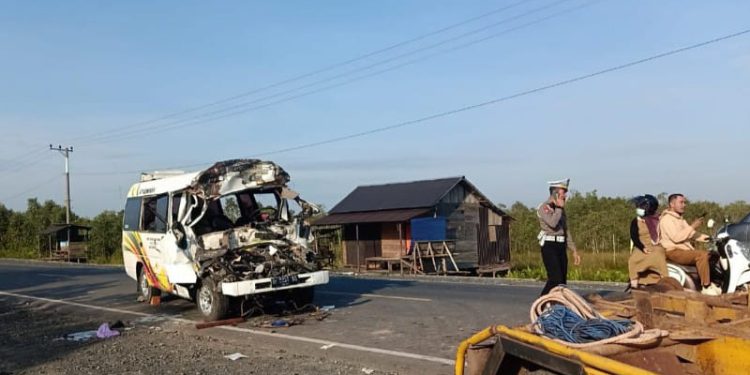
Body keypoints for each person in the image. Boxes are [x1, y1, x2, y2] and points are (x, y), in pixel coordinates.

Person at [659, 193, 720, 296]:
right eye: (681, 202)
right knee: (701, 255)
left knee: (713, 255)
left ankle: (715, 282)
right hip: (673, 251)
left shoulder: (680, 219)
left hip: (684, 250)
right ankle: (706, 286)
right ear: (672, 204)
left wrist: (711, 238)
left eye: (684, 202)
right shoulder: (666, 219)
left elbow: (692, 234)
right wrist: (693, 226)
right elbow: (676, 238)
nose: (684, 205)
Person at [537, 179, 581, 295]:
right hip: (549, 245)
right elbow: (552, 223)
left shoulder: (561, 210)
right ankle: (541, 303)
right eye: (563, 193)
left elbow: (565, 230)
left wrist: (574, 250)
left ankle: (556, 305)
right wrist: (559, 208)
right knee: (555, 278)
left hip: (561, 245)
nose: (565, 196)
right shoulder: (544, 207)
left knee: (562, 281)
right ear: (555, 193)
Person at [628, 194, 668, 289]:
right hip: (641, 246)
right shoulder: (635, 221)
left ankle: (665, 280)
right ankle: (634, 284)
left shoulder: (659, 219)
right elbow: (634, 237)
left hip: (656, 246)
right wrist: (643, 248)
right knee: (632, 261)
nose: (639, 209)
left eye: (641, 207)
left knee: (659, 257)